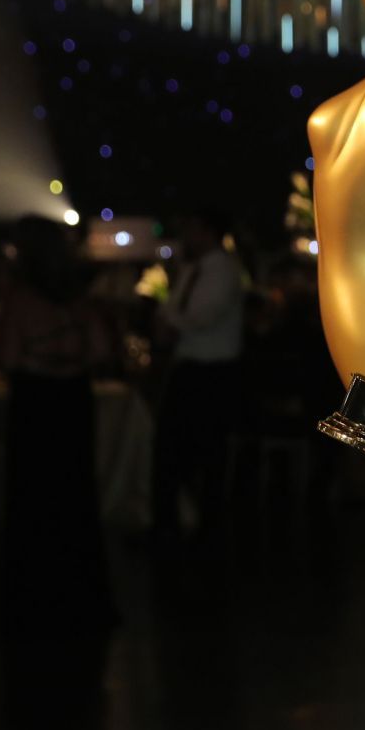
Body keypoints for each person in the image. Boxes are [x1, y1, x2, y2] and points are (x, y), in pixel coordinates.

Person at [0, 215, 115, 635]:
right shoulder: (78, 298)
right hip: (71, 400)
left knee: (33, 494)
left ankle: (34, 597)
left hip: (35, 401)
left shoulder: (20, 298)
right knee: (74, 490)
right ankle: (79, 593)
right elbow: (100, 349)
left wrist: (37, 356)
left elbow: (8, 358)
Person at [152, 210, 246, 539]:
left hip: (210, 374)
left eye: (190, 228)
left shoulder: (221, 270)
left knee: (205, 452)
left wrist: (168, 317)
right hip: (191, 369)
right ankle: (174, 522)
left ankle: (206, 526)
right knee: (173, 451)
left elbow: (198, 317)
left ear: (205, 230)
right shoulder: (195, 269)